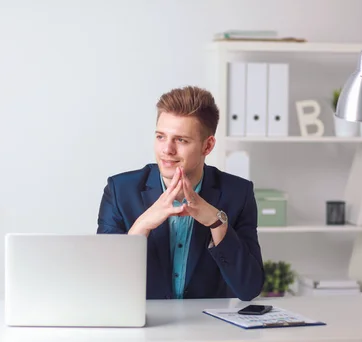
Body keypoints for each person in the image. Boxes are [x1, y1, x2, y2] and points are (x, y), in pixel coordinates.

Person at [97, 86, 264, 301]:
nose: (167, 149)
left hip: (206, 328)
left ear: (208, 146)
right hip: (144, 325)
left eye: (181, 140)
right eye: (160, 137)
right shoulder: (119, 191)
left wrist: (217, 223)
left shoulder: (238, 194)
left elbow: (249, 288)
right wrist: (143, 225)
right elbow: (104, 285)